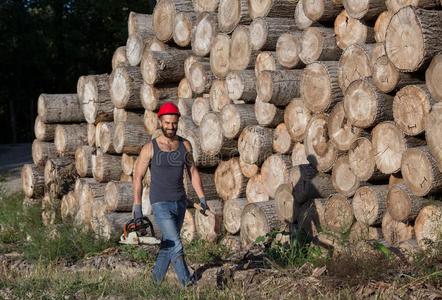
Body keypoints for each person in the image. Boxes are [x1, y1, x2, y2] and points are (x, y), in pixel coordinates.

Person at [132, 101, 208, 287]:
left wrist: (202, 198)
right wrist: (136, 207)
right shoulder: (149, 148)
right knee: (176, 243)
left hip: (180, 203)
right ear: (160, 122)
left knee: (168, 245)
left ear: (178, 121)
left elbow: (193, 172)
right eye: (167, 123)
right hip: (160, 203)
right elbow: (137, 176)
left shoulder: (185, 146)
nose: (170, 127)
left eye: (174, 123)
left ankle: (154, 283)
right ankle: (187, 284)